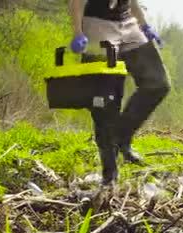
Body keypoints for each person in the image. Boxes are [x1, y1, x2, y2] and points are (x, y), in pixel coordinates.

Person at [68, 0, 171, 187]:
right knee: (105, 100)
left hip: (128, 24)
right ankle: (109, 172)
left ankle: (120, 137)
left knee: (157, 83)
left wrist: (144, 25)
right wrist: (78, 32)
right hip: (97, 24)